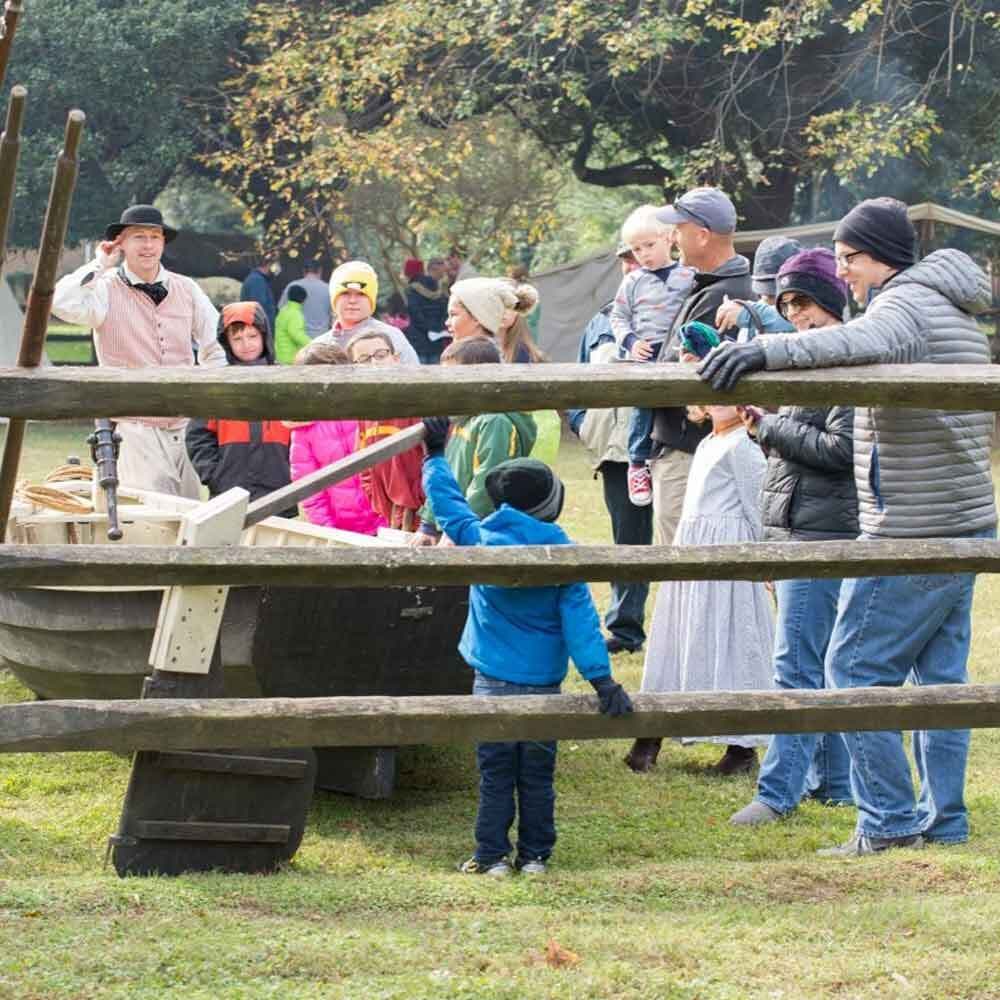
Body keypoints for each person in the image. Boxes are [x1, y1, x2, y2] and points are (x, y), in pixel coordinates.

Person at [699, 197, 997, 855]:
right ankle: (944, 820)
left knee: (853, 668)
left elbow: (856, 340)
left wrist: (762, 352)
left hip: (918, 527)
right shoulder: (944, 305)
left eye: (849, 258)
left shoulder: (904, 305)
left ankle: (889, 822)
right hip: (963, 520)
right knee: (940, 682)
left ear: (879, 256)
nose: (844, 272)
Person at [420, 426, 634, 876]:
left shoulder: (479, 541)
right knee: (536, 774)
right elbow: (581, 626)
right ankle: (535, 855)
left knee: (495, 772)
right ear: (550, 505)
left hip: (489, 680)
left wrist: (435, 453)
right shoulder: (564, 560)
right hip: (543, 684)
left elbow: (447, 502)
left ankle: (491, 856)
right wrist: (602, 679)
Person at [727, 249, 857, 825]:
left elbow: (841, 452)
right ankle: (831, 782)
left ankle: (777, 793)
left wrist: (768, 426)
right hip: (796, 524)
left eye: (802, 302)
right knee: (820, 660)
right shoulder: (810, 366)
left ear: (830, 302)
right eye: (786, 305)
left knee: (796, 665)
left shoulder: (846, 364)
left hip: (822, 531)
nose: (795, 316)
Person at [627, 403, 773, 775]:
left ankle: (741, 746)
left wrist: (766, 559)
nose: (719, 405)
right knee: (677, 636)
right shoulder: (709, 441)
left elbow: (757, 506)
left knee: (730, 638)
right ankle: (650, 735)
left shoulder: (743, 445)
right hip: (694, 545)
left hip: (728, 552)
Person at [51, 204, 227, 498]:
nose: (148, 245)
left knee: (193, 514)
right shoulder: (103, 289)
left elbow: (217, 346)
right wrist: (99, 265)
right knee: (150, 518)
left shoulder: (187, 289)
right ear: (121, 243)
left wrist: (208, 401)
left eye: (154, 237)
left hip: (186, 425)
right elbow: (60, 302)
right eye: (138, 237)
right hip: (134, 427)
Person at [647, 188, 753, 547]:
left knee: (682, 561)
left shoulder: (721, 295)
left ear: (703, 235)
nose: (672, 237)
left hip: (688, 448)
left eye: (679, 228)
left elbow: (691, 376)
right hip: (686, 445)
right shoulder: (708, 288)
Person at [568, 243, 652, 654]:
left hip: (665, 445)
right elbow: (581, 380)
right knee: (628, 540)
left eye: (640, 256)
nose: (632, 265)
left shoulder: (674, 313)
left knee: (680, 537)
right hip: (616, 450)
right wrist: (584, 424)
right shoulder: (600, 321)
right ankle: (624, 628)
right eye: (627, 258)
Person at [411, 336, 537, 546]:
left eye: (454, 377)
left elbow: (486, 484)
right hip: (456, 525)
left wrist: (458, 529)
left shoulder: (494, 423)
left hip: (481, 532)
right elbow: (447, 476)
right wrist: (429, 523)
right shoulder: (461, 419)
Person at [609, 205, 695, 507]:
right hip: (646, 351)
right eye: (636, 249)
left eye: (649, 245)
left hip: (678, 351)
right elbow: (618, 316)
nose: (643, 254)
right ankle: (637, 461)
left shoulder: (689, 275)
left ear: (669, 238)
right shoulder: (632, 281)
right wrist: (630, 341)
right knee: (642, 406)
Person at [186, 302, 293, 512]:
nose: (246, 344)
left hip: (280, 489)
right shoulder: (217, 386)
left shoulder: (287, 382)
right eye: (237, 339)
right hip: (228, 490)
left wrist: (292, 472)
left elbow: (301, 433)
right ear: (227, 343)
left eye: (252, 336)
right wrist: (213, 475)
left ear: (264, 336)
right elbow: (197, 435)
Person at [285, 341, 386, 535]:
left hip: (385, 520)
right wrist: (329, 532)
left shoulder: (368, 409)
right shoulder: (303, 428)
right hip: (343, 530)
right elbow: (309, 489)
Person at [346, 329, 426, 531]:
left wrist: (420, 501)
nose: (374, 363)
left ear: (395, 358)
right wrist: (376, 498)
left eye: (380, 355)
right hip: (390, 516)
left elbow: (434, 457)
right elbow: (364, 464)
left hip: (425, 515)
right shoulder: (363, 412)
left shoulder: (417, 403)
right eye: (364, 359)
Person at [311, 260, 420, 366]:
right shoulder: (320, 345)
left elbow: (415, 379)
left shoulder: (393, 337)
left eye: (361, 294)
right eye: (345, 293)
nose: (352, 300)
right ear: (333, 299)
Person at [714, 235, 803, 341]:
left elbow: (802, 321)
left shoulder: (818, 312)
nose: (774, 301)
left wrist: (751, 313)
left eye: (782, 296)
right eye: (768, 295)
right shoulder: (753, 318)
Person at [403, 257, 449, 364]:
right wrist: (438, 328)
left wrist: (428, 328)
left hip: (418, 340)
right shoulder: (439, 288)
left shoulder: (412, 289)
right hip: (438, 340)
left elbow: (415, 313)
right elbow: (445, 312)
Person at [277, 258, 332, 337]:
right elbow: (334, 314)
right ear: (320, 270)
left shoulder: (293, 286)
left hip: (297, 336)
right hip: (322, 336)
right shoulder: (328, 288)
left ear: (303, 271)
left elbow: (281, 309)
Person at [274, 284, 311, 364]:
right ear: (303, 300)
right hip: (290, 357)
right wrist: (312, 343)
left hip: (280, 354)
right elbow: (296, 334)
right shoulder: (295, 314)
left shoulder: (283, 311)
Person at [240, 258, 277, 333]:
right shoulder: (257, 280)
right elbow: (258, 306)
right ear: (269, 265)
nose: (276, 268)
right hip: (261, 329)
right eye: (275, 265)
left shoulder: (257, 279)